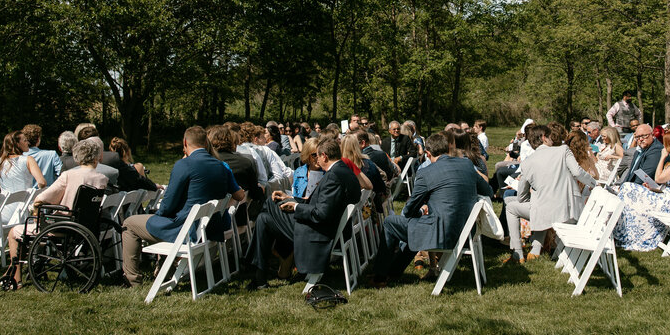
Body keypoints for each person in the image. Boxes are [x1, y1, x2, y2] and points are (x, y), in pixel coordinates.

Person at [122, 126, 243, 286]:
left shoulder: (184, 164)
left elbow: (167, 205)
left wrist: (158, 214)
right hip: (211, 228)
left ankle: (132, 280)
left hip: (187, 230)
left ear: (185, 142)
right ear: (206, 144)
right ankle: (166, 272)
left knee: (130, 223)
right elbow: (237, 194)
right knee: (160, 218)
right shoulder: (221, 166)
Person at [372, 131, 492, 284]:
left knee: (390, 223)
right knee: (414, 227)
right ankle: (393, 273)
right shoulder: (467, 165)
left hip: (442, 234)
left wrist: (421, 210)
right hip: (467, 231)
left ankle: (380, 276)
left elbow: (408, 210)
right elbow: (487, 191)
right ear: (448, 149)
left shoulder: (426, 172)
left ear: (428, 153)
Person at [245, 136, 358, 290]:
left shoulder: (333, 176)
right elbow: (321, 204)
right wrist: (290, 198)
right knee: (264, 219)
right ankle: (259, 278)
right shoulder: (343, 171)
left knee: (269, 205)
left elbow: (321, 213)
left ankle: (252, 268)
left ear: (324, 156)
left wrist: (296, 207)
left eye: (317, 156)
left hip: (318, 232)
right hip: (325, 227)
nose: (317, 160)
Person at [2, 136, 109, 288]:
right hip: (85, 225)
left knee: (15, 232)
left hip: (63, 225)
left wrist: (37, 206)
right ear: (96, 156)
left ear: (77, 157)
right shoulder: (102, 179)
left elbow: (43, 198)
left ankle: (16, 276)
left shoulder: (69, 175)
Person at [504, 122, 597, 264]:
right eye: (550, 136)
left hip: (547, 212)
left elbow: (522, 197)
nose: (553, 139)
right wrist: (595, 184)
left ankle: (517, 253)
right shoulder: (563, 150)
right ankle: (535, 249)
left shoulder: (527, 163)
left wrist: (535, 192)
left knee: (512, 208)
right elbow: (578, 172)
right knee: (536, 204)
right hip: (569, 210)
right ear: (544, 138)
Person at [613, 127, 670, 251]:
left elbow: (659, 178)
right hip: (663, 192)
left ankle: (628, 234)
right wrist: (652, 188)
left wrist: (662, 157)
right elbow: (661, 181)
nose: (664, 147)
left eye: (666, 144)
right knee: (628, 191)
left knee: (628, 188)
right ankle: (625, 233)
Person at [0, 130, 49, 228]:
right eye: (24, 140)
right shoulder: (28, 160)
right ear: (17, 144)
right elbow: (42, 182)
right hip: (22, 212)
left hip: (2, 212)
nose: (28, 143)